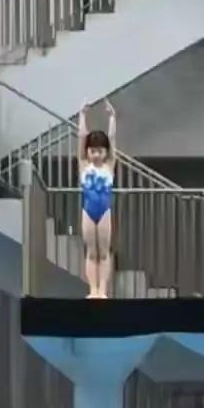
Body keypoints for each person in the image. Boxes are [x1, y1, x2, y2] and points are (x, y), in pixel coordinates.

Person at [77, 98, 116, 299]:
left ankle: (102, 290)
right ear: (87, 151)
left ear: (106, 152)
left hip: (104, 211)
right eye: (92, 151)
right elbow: (81, 137)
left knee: (104, 252)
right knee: (91, 253)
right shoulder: (84, 165)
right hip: (88, 211)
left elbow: (112, 139)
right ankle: (93, 290)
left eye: (100, 151)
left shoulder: (109, 165)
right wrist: (82, 115)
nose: (96, 155)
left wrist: (112, 118)